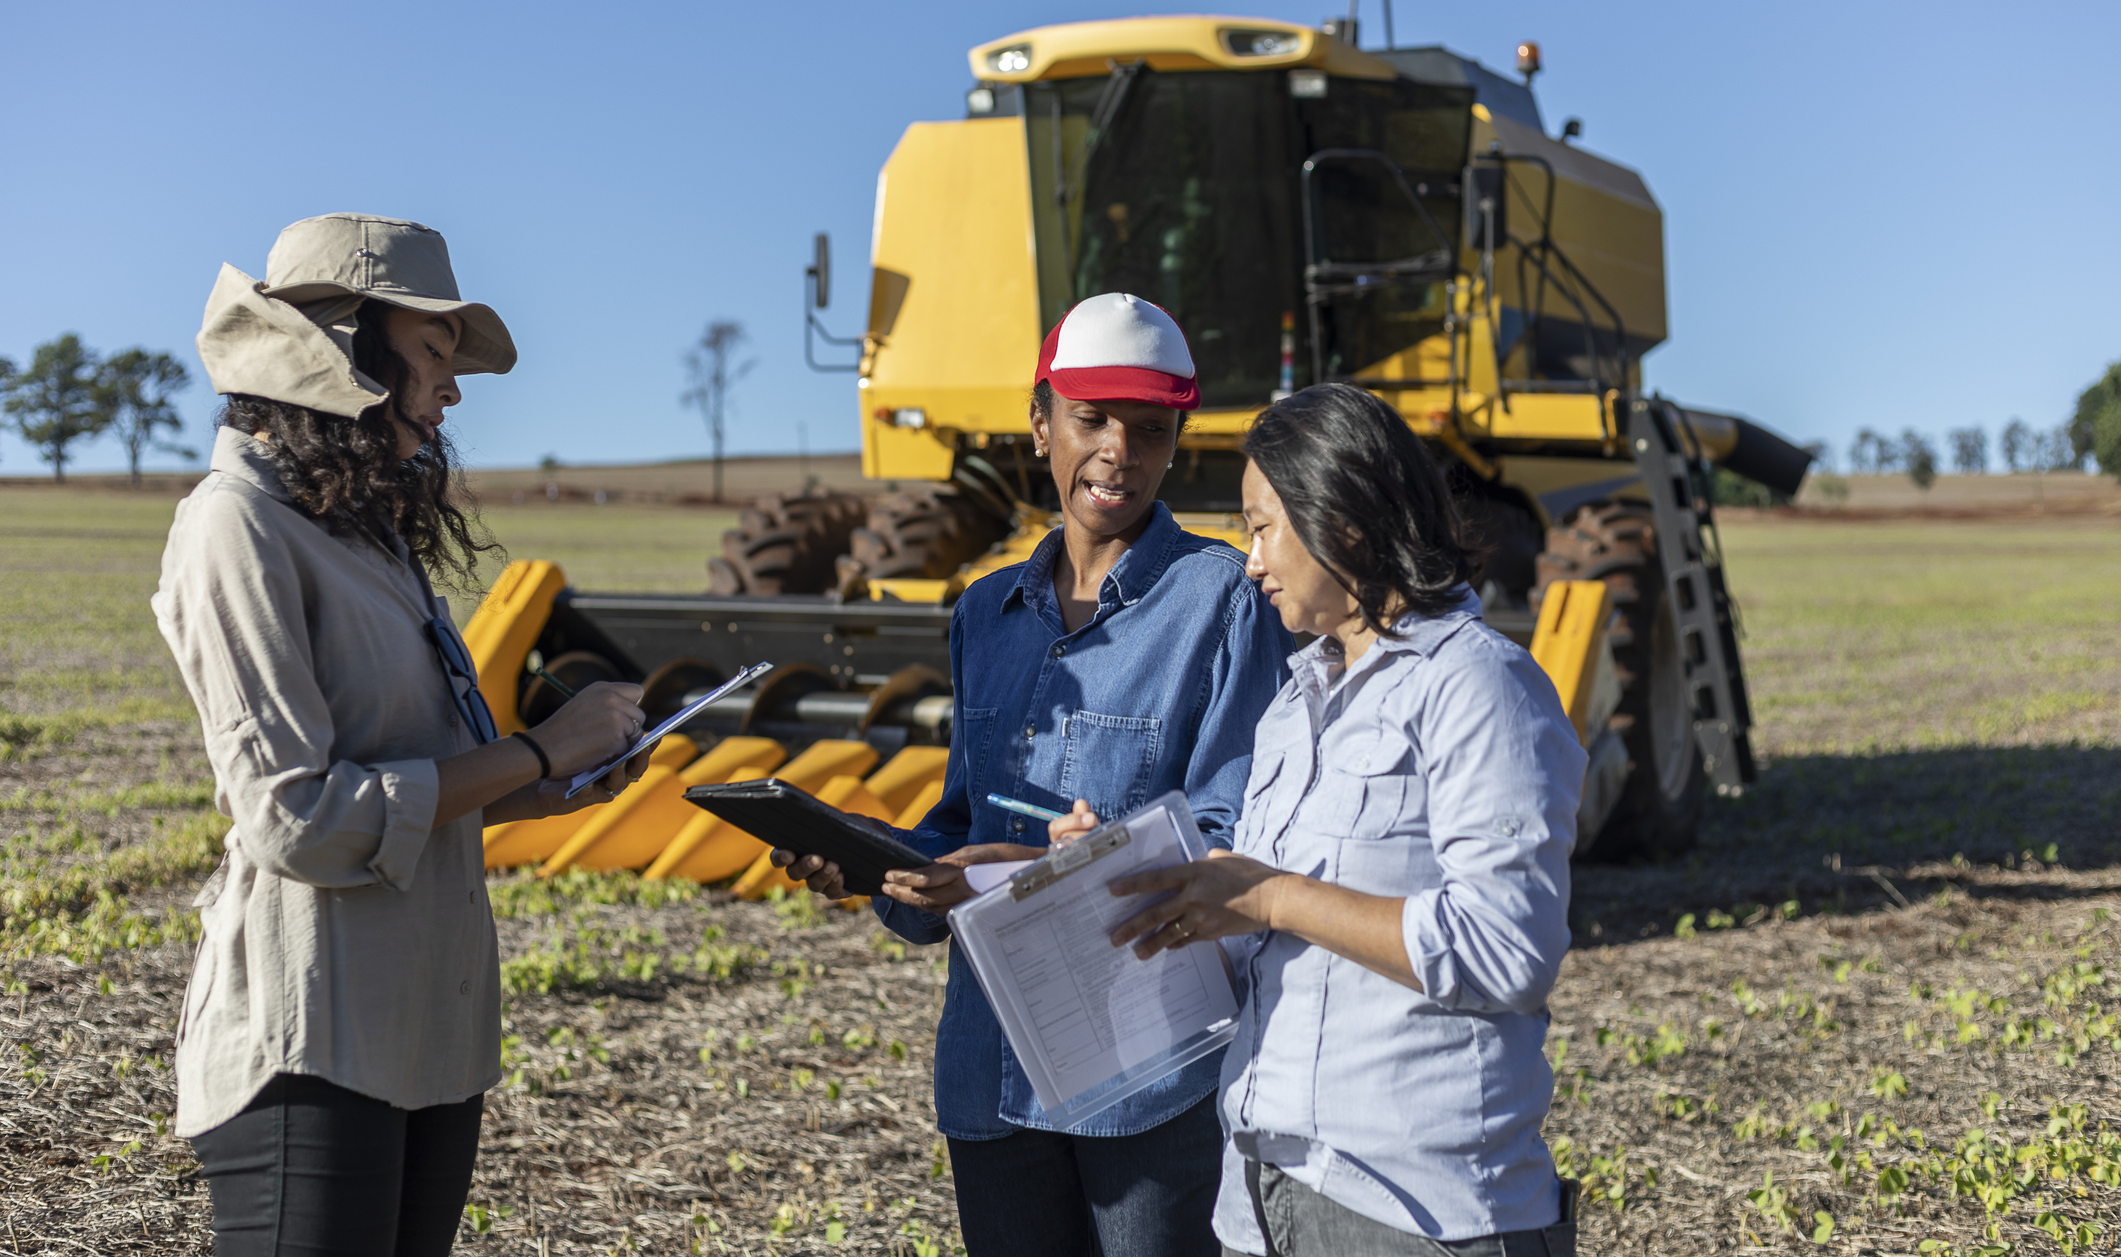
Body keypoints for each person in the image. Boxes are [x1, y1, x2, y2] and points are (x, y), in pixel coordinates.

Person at [154, 213, 652, 1257]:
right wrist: (536, 752)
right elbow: (299, 819)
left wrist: (563, 778)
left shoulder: (368, 536)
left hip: (431, 1038)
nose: (454, 387)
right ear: (343, 348)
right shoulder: (234, 525)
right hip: (315, 1044)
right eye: (433, 352)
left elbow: (425, 770)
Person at [775, 293, 1293, 1257]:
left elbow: (1234, 829)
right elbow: (961, 818)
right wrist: (871, 863)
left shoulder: (1221, 598)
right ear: (1039, 420)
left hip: (1143, 1072)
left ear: (1176, 440)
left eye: (1147, 429)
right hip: (990, 1066)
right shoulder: (983, 612)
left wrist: (1046, 863)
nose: (1117, 452)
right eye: (1091, 420)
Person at [1098, 383, 1585, 1257]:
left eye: (1261, 527)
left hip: (1416, 1211)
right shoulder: (1292, 707)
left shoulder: (1479, 687)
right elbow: (1258, 941)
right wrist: (1125, 881)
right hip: (1261, 1198)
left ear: (1344, 519)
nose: (1250, 562)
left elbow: (1508, 952)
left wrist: (1274, 895)